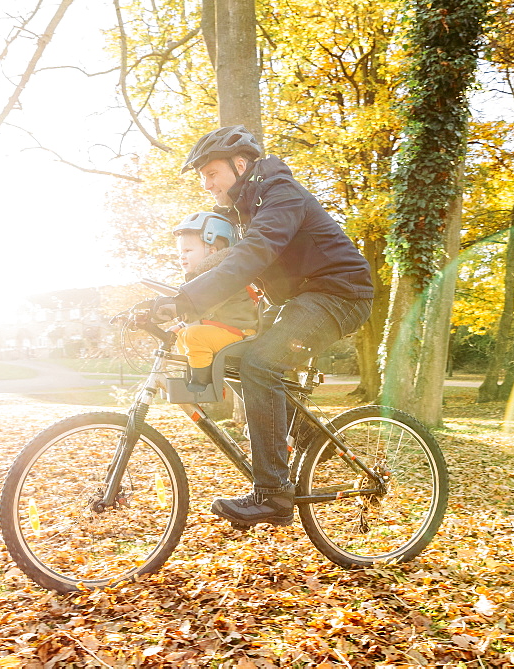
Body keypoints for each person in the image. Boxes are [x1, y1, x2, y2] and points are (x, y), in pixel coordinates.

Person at [150, 125, 374, 527]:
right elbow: (220, 260)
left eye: (211, 173)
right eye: (202, 176)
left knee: (258, 363)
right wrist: (169, 301)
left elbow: (252, 255)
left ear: (240, 164)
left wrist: (184, 300)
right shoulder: (242, 209)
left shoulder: (280, 195)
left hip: (340, 294)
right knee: (236, 357)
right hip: (299, 300)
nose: (206, 184)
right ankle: (305, 438)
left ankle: (272, 495)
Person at [170, 211, 259, 391]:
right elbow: (201, 311)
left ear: (212, 251)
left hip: (238, 332)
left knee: (193, 335)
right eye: (180, 252)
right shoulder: (204, 278)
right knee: (182, 337)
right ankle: (207, 376)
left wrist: (173, 311)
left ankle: (203, 385)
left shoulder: (222, 276)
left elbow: (202, 305)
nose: (182, 256)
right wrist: (180, 326)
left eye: (188, 250)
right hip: (223, 331)